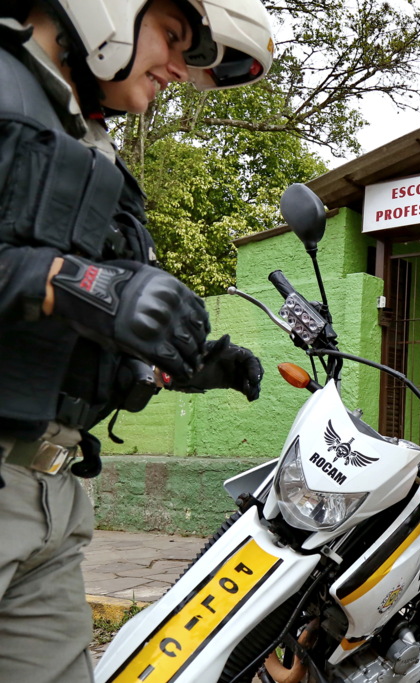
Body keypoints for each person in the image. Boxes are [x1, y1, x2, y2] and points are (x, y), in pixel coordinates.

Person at [0, 1, 274, 680]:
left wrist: (174, 363)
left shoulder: (86, 141)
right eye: (173, 38)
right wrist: (80, 283)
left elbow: (67, 335)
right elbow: (68, 285)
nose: (179, 69)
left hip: (52, 496)